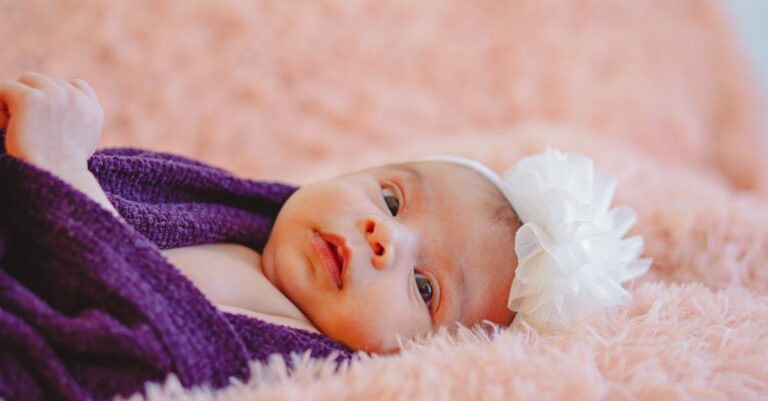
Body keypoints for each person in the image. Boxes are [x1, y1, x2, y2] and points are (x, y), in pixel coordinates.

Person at [0, 72, 649, 355]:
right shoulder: (232, 220)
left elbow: (139, 331)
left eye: (425, 287)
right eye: (392, 199)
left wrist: (58, 170)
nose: (382, 235)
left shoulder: (287, 344)